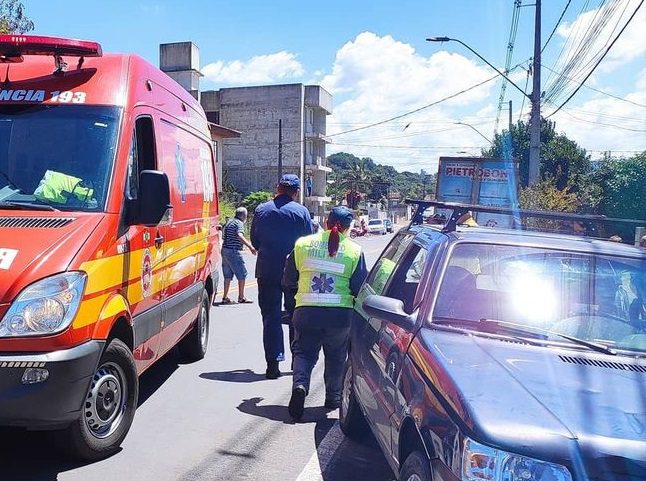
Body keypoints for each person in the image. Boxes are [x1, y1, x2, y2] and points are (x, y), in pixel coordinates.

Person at [283, 206, 368, 420]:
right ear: (348, 228)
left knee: (303, 353)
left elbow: (288, 280)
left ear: (327, 222)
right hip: (339, 316)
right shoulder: (354, 251)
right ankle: (333, 398)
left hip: (306, 313)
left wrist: (295, 300)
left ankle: (300, 385)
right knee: (337, 356)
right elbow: (359, 287)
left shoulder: (302, 244)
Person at [251, 174, 313, 379]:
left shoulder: (261, 210)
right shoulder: (302, 212)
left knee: (271, 318)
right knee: (296, 318)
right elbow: (308, 243)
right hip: (295, 273)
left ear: (278, 188)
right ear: (295, 192)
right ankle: (297, 361)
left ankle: (273, 363)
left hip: (267, 271)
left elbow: (255, 241)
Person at [220, 207, 256, 304]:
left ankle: (225, 297)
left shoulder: (229, 222)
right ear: (243, 215)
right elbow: (239, 235)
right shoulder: (239, 223)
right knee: (242, 275)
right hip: (233, 251)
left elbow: (223, 236)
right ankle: (241, 297)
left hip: (224, 250)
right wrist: (250, 247)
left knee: (227, 275)